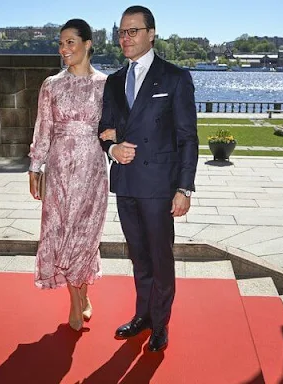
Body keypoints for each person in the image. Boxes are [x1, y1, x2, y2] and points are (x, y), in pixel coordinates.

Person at [98, 5, 198, 352]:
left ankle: (160, 323)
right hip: (125, 182)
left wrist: (184, 187)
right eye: (122, 32)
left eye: (133, 31)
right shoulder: (112, 81)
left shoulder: (174, 77)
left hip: (159, 186)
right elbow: (103, 130)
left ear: (151, 34)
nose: (125, 38)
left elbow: (187, 137)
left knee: (160, 257)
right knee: (138, 256)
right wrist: (112, 148)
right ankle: (142, 315)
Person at [28, 19, 108, 331]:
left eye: (70, 42)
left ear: (88, 44)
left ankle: (83, 296)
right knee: (62, 236)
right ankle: (76, 304)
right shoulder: (51, 85)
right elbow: (43, 127)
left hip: (92, 170)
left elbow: (113, 128)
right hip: (59, 170)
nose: (64, 49)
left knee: (85, 237)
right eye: (61, 43)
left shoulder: (105, 85)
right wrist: (36, 167)